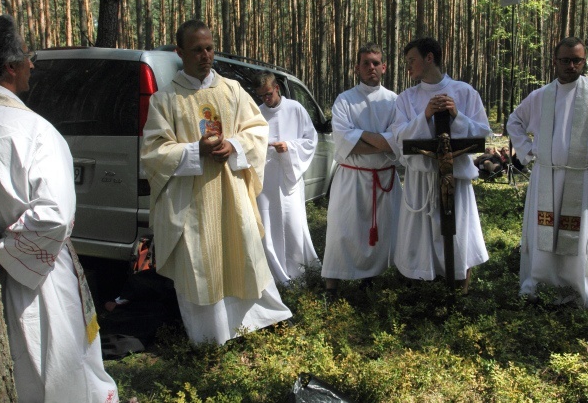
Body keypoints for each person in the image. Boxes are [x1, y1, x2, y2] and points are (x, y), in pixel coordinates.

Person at [0, 14, 118, 403]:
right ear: (10, 67)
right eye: (27, 57)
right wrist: (2, 256)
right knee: (57, 369)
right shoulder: (33, 131)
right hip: (37, 277)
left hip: (13, 266)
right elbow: (54, 215)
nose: (32, 63)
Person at [141, 20, 292, 345]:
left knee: (243, 256)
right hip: (192, 204)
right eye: (197, 50)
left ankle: (255, 324)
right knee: (200, 267)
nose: (205, 55)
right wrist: (196, 150)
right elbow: (153, 152)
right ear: (180, 52)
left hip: (232, 196)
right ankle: (211, 340)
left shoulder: (232, 91)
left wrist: (234, 145)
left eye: (209, 48)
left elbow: (256, 128)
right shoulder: (165, 100)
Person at [507, 37, 588, 308]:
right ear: (554, 62)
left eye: (577, 60)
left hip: (580, 176)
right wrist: (529, 151)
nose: (571, 65)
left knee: (577, 238)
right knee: (540, 232)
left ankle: (577, 291)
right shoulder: (541, 96)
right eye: (565, 60)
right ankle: (536, 285)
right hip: (545, 176)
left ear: (584, 62)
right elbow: (514, 121)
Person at [391, 37, 491, 293]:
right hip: (421, 180)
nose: (408, 67)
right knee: (419, 235)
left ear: (429, 58)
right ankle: (420, 284)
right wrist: (424, 116)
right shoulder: (406, 98)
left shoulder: (465, 92)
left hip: (454, 179)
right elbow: (398, 137)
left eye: (411, 60)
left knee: (458, 231)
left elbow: (481, 134)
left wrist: (456, 115)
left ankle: (460, 283)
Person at [321, 42, 402, 298]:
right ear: (357, 67)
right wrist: (382, 141)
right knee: (341, 231)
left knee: (385, 233)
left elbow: (398, 139)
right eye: (365, 63)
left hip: (384, 179)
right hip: (351, 177)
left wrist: (361, 139)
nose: (371, 68)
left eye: (376, 63)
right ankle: (332, 286)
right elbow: (345, 141)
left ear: (384, 67)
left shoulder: (395, 101)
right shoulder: (345, 100)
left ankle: (370, 279)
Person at [252, 70, 320, 284]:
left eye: (268, 94)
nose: (265, 99)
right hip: (266, 179)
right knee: (268, 224)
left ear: (277, 89)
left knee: (292, 222)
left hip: (290, 178)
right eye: (261, 96)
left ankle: (299, 271)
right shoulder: (257, 114)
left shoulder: (295, 109)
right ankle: (274, 275)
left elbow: (311, 140)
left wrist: (288, 147)